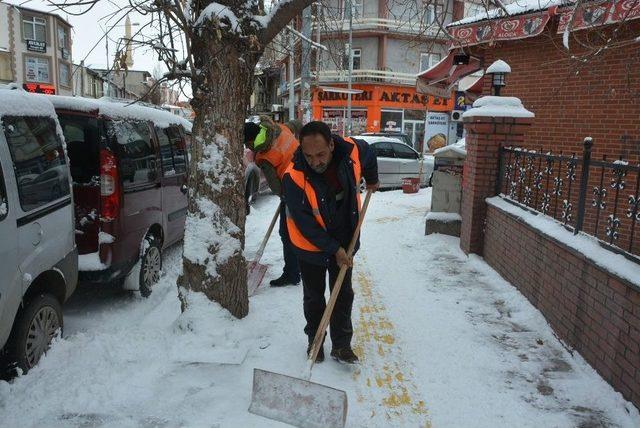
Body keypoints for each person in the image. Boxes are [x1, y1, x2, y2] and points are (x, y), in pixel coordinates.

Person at [282, 121, 379, 364]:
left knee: (343, 294)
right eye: (309, 155)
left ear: (332, 145)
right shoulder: (293, 177)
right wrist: (333, 249)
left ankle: (342, 345)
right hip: (309, 246)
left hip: (345, 237)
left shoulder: (351, 151)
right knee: (314, 297)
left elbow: (368, 153)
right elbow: (306, 225)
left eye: (321, 154)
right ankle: (315, 342)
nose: (316, 162)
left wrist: (372, 178)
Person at [244, 117, 301, 287]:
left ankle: (292, 274)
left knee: (287, 233)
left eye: (247, 143)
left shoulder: (265, 157)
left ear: (252, 140)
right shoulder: (280, 128)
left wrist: (287, 199)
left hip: (294, 190)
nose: (247, 147)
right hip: (307, 178)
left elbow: (277, 188)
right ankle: (301, 268)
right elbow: (297, 124)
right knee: (300, 230)